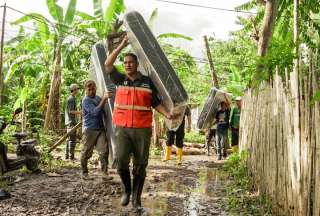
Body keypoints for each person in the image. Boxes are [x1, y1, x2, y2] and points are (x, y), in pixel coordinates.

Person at [104, 35, 173, 210]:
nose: (127, 64)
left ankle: (136, 197)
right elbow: (108, 65)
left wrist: (167, 114)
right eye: (125, 62)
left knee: (140, 165)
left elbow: (156, 103)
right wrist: (121, 45)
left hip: (142, 129)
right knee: (120, 162)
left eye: (130, 62)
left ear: (137, 64)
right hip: (122, 128)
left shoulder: (148, 82)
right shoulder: (120, 79)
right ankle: (127, 189)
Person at [81, 80, 113, 180]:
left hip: (100, 129)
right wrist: (104, 99)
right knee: (86, 152)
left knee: (103, 151)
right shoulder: (86, 100)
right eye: (89, 89)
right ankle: (84, 173)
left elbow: (104, 112)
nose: (91, 91)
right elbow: (95, 112)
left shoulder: (98, 98)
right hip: (89, 130)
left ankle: (104, 173)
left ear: (96, 88)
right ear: (85, 90)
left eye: (93, 89)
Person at [65, 83, 82, 160]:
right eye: (77, 89)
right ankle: (71, 157)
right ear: (74, 90)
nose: (78, 91)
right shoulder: (71, 99)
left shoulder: (71, 98)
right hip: (71, 121)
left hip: (69, 121)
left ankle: (67, 156)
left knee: (68, 139)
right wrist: (80, 112)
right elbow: (70, 111)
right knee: (72, 139)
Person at [215, 94, 231, 160]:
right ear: (221, 106)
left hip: (224, 128)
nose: (224, 106)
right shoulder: (218, 112)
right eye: (223, 105)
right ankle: (219, 156)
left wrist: (224, 96)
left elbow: (229, 104)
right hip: (219, 128)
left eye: (225, 105)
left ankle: (222, 153)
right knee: (217, 142)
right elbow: (216, 120)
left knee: (222, 142)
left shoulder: (227, 111)